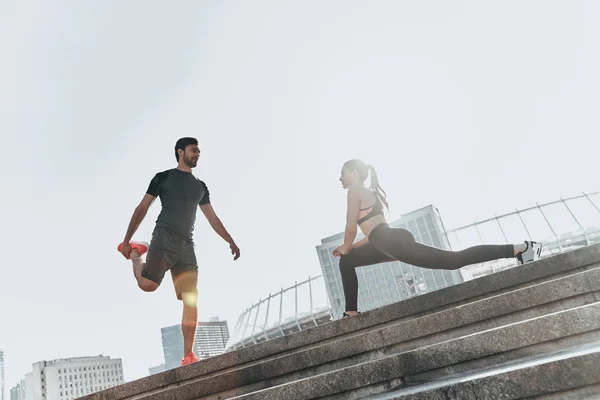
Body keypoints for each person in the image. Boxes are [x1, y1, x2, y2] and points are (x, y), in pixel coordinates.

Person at [333, 159, 542, 318]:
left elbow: (351, 229)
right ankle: (351, 313)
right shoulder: (366, 192)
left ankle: (521, 249)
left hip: (390, 241)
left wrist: (346, 245)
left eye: (342, 174)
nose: (340, 178)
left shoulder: (354, 191)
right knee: (348, 260)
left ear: (353, 173)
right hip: (386, 240)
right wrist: (347, 249)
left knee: (454, 260)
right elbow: (372, 234)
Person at [117, 137, 240, 366]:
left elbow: (212, 217)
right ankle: (137, 253)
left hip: (186, 245)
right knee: (148, 285)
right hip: (164, 237)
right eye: (194, 150)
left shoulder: (200, 187)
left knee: (191, 300)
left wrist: (230, 240)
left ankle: (188, 356)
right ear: (180, 152)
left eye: (199, 151)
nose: (198, 154)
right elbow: (142, 207)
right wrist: (126, 241)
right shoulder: (163, 178)